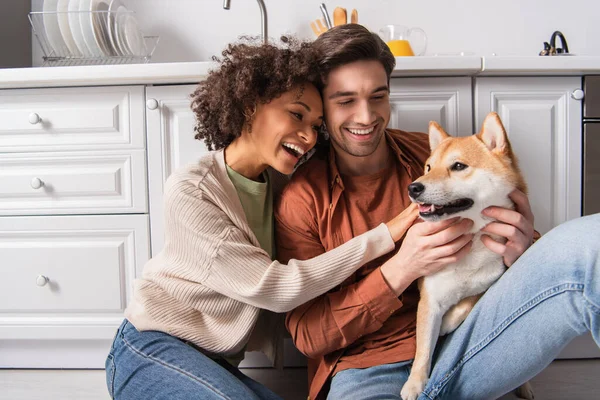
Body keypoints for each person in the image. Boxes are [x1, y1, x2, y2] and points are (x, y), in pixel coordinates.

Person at [275, 24, 600, 400]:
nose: (366, 116)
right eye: (345, 101)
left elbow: (537, 255)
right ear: (320, 106)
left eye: (377, 96)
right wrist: (400, 269)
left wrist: (525, 246)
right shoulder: (303, 199)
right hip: (369, 369)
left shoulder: (434, 156)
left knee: (590, 243)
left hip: (475, 338)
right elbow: (308, 335)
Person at [104, 36, 421, 400]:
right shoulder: (191, 190)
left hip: (218, 362)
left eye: (316, 124)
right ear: (251, 104)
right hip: (151, 345)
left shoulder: (283, 181)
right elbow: (274, 287)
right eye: (296, 114)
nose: (307, 135)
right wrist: (388, 234)